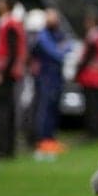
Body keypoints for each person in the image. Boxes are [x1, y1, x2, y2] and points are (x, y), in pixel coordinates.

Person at [31, 8, 71, 153]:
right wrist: (61, 49)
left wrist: (61, 49)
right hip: (46, 77)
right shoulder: (42, 36)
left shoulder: (57, 34)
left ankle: (51, 139)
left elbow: (69, 45)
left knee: (54, 108)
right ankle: (43, 140)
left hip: (56, 76)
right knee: (45, 109)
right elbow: (56, 54)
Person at [0, 0, 27, 159]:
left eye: (0, 1)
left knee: (2, 111)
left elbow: (11, 51)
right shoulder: (11, 23)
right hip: (10, 73)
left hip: (6, 74)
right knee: (9, 110)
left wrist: (2, 72)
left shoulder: (9, 24)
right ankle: (7, 148)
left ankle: (3, 148)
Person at [75, 10, 98, 138]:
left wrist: (77, 73)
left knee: (91, 106)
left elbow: (86, 58)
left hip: (91, 76)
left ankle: (92, 132)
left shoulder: (93, 37)